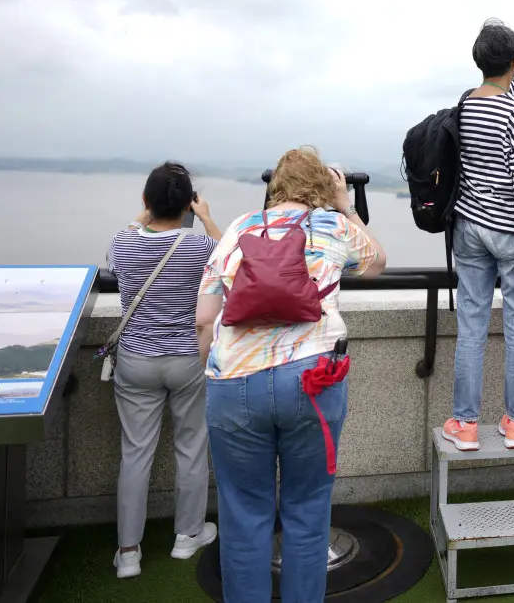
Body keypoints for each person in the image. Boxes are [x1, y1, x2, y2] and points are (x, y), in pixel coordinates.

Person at [197, 147, 387, 603]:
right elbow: (377, 262)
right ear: (323, 186)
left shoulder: (240, 228)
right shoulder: (333, 225)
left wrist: (212, 370)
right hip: (312, 380)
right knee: (307, 511)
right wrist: (344, 205)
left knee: (243, 515)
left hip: (234, 384)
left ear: (274, 185)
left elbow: (205, 317)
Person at [442, 19, 514, 452]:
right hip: (510, 232)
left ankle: (466, 425)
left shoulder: (467, 104)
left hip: (468, 228)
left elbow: (505, 88)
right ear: (512, 61)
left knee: (470, 325)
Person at [105, 162, 223, 579]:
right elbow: (230, 260)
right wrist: (206, 216)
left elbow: (121, 245)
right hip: (188, 359)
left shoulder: (122, 243)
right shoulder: (199, 248)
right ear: (188, 205)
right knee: (191, 447)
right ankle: (187, 536)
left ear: (146, 201)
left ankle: (129, 552)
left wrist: (144, 212)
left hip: (136, 361)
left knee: (135, 453)